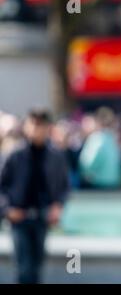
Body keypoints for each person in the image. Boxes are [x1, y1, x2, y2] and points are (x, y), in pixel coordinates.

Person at [0, 109, 69, 284]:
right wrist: (7, 209)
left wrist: (57, 206)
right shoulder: (15, 155)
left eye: (41, 125)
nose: (37, 129)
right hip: (19, 218)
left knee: (37, 266)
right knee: (23, 268)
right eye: (34, 124)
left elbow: (64, 186)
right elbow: (2, 187)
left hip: (41, 216)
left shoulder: (55, 156)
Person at [79, 107, 121, 188]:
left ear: (97, 121)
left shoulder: (96, 138)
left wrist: (86, 174)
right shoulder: (114, 137)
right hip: (114, 183)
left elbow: (88, 163)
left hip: (99, 184)